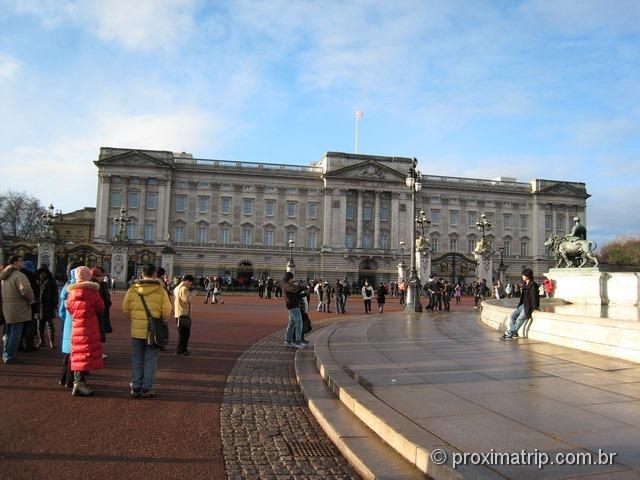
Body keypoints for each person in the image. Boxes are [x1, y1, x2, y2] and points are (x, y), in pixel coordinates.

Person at [122, 264, 173, 398]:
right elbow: (167, 312)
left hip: (137, 330)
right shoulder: (160, 290)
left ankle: (136, 386)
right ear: (155, 275)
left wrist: (136, 319)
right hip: (154, 331)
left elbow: (125, 310)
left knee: (137, 359)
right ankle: (147, 387)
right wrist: (160, 320)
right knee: (150, 359)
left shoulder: (133, 289)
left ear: (142, 274)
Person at [65, 266, 105, 396]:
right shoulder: (93, 291)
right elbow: (100, 307)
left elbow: (70, 309)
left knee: (78, 352)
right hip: (90, 324)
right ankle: (79, 383)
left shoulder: (71, 292)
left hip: (76, 325)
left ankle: (78, 381)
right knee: (86, 352)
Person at [1, 256, 35, 363]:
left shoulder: (5, 276)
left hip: (7, 307)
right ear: (15, 262)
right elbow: (25, 290)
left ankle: (6, 353)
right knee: (15, 333)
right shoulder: (19, 275)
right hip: (18, 307)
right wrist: (31, 300)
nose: (23, 263)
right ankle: (10, 355)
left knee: (8, 332)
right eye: (21, 261)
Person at [501, 268, 540, 339]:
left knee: (519, 319)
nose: (522, 276)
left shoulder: (533, 285)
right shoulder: (525, 284)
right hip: (523, 305)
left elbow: (535, 297)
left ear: (528, 276)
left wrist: (535, 308)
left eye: (523, 275)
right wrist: (519, 305)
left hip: (529, 306)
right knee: (512, 316)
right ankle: (515, 333)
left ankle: (510, 333)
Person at [59, 268, 77, 387]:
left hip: (67, 324)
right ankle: (72, 380)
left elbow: (61, 312)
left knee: (67, 354)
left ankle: (63, 378)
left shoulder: (67, 287)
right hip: (78, 324)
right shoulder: (81, 289)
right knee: (77, 354)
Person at [91, 267, 112, 357]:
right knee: (97, 332)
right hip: (98, 313)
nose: (103, 277)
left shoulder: (97, 285)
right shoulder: (97, 286)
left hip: (96, 312)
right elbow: (103, 300)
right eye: (101, 276)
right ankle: (96, 352)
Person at [283, 272, 308, 348]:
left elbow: (296, 295)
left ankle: (288, 340)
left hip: (292, 305)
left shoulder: (287, 285)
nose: (293, 279)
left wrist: (304, 294)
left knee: (291, 323)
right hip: (293, 306)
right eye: (292, 278)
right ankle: (298, 342)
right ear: (290, 278)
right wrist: (305, 288)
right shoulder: (287, 285)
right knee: (299, 323)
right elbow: (296, 289)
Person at [36, 266, 59, 349]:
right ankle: (41, 341)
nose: (41, 275)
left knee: (50, 324)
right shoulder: (37, 280)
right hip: (39, 306)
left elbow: (55, 293)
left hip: (49, 305)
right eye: (40, 273)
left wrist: (55, 303)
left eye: (43, 273)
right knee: (40, 325)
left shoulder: (51, 280)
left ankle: (52, 343)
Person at [20, 260, 40, 351]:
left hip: (18, 305)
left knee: (19, 325)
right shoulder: (31, 276)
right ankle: (29, 345)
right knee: (30, 325)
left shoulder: (17, 275)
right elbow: (35, 291)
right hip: (30, 304)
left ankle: (19, 344)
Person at [174, 274, 194, 356]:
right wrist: (193, 294)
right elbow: (188, 300)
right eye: (190, 283)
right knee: (184, 334)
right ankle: (180, 350)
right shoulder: (184, 289)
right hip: (183, 313)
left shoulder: (177, 287)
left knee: (183, 333)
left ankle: (183, 349)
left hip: (179, 312)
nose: (190, 284)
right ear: (187, 281)